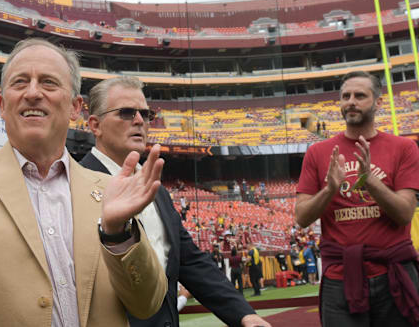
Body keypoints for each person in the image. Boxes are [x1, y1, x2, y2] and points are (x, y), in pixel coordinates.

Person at [0, 38, 168, 326]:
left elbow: (147, 304)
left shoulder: (107, 190)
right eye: (20, 82)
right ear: (2, 105)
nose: (33, 93)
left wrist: (118, 235)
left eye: (49, 83)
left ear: (76, 107)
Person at [81, 76, 268, 327]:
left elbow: (190, 261)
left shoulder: (157, 191)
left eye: (145, 114)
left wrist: (243, 314)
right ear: (95, 125)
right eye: (126, 113)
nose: (139, 120)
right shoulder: (74, 186)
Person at [295, 71, 419, 326]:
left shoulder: (404, 147)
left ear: (378, 102)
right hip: (340, 277)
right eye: (346, 96)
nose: (351, 101)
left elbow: (405, 213)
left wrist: (370, 180)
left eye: (360, 95)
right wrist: (330, 189)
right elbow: (302, 217)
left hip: (392, 272)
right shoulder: (317, 152)